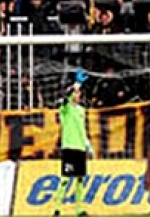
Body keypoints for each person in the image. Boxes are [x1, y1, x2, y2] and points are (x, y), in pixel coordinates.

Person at [53, 79, 93, 217]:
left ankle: (79, 210)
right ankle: (57, 209)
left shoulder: (82, 110)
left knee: (80, 179)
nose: (78, 94)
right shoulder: (66, 109)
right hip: (69, 147)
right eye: (76, 93)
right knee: (65, 179)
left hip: (80, 147)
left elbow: (82, 129)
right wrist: (73, 86)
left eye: (79, 92)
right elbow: (64, 99)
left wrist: (87, 144)